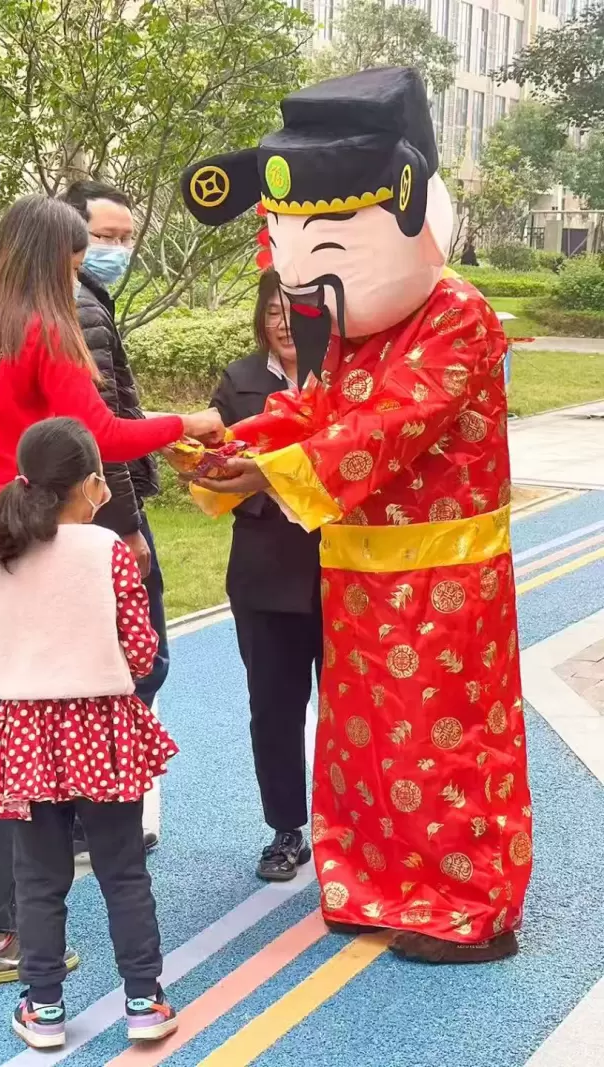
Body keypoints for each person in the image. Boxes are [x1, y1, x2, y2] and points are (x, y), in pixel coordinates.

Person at [181, 67, 532, 963]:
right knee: (362, 745)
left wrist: (272, 470)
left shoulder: (458, 317)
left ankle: (468, 904)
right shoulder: (351, 335)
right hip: (358, 576)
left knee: (443, 744)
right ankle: (375, 882)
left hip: (444, 582)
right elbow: (311, 408)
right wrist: (235, 446)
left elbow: (390, 425)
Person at [0, 194, 222, 982]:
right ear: (54, 261)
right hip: (7, 548)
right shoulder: (42, 332)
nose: (80, 279)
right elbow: (100, 436)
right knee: (5, 731)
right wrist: (185, 423)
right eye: (77, 265)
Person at [0, 417, 179, 1051]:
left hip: (26, 733)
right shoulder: (107, 549)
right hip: (102, 728)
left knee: (37, 878)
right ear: (91, 483)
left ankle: (44, 1007)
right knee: (123, 871)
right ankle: (144, 999)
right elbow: (140, 649)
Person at [59, 179, 166, 856]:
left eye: (126, 238)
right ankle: (98, 811)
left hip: (90, 507)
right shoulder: (80, 305)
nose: (117, 249)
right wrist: (125, 525)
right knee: (138, 658)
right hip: (102, 510)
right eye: (104, 237)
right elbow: (100, 434)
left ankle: (86, 808)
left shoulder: (87, 298)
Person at [210, 269, 321, 881]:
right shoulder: (241, 380)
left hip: (344, 570)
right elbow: (222, 466)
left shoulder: (348, 380)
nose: (283, 323)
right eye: (273, 311)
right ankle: (286, 828)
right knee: (274, 707)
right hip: (265, 569)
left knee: (355, 710)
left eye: (296, 310)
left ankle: (355, 826)